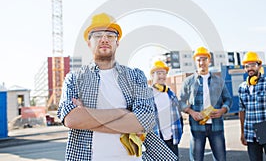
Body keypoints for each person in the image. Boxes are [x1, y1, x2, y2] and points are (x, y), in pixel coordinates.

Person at [57, 12, 177, 161]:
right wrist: (123, 112)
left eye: (110, 35)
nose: (104, 39)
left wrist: (88, 118)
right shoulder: (74, 79)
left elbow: (144, 121)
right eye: (98, 35)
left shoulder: (135, 76)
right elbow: (72, 120)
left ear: (117, 42)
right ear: (89, 43)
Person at [179, 46, 232, 161]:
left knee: (220, 159)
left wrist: (222, 110)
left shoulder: (219, 81)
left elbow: (228, 99)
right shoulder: (188, 82)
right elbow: (181, 102)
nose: (201, 62)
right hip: (197, 128)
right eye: (199, 60)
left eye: (204, 59)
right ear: (195, 61)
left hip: (216, 127)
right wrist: (191, 112)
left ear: (209, 61)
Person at [238, 51, 266, 161]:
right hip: (250, 134)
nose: (250, 68)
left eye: (253, 65)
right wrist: (243, 133)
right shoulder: (242, 87)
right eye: (247, 66)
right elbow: (242, 111)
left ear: (259, 66)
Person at [149, 60, 183, 157]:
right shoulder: (146, 95)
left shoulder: (170, 93)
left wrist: (180, 131)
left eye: (164, 73)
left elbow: (178, 114)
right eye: (159, 73)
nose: (162, 76)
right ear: (152, 75)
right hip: (156, 141)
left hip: (172, 140)